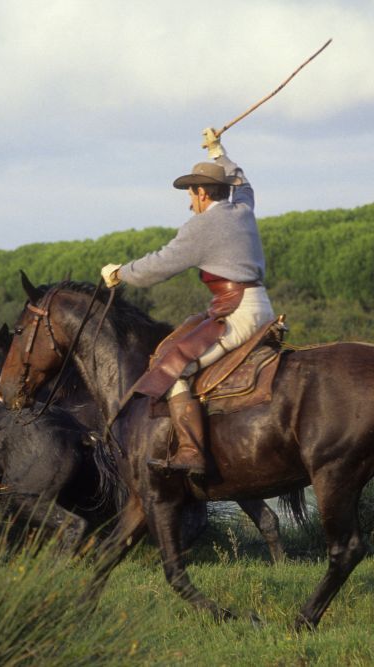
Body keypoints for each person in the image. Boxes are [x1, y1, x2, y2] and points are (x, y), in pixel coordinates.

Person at [100, 128, 275, 479]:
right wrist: (217, 151)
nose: (189, 202)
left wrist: (121, 273)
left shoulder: (201, 227)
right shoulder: (242, 207)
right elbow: (244, 182)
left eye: (191, 193)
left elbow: (160, 265)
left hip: (239, 313)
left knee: (174, 369)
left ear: (201, 192)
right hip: (254, 306)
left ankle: (192, 451)